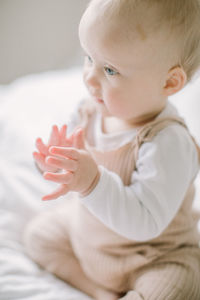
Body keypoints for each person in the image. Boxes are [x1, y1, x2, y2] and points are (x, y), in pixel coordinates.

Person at [24, 0, 200, 299]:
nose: (90, 78)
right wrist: (55, 165)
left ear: (169, 82)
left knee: (175, 287)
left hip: (151, 256)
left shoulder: (167, 141)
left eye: (110, 69)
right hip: (89, 240)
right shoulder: (90, 111)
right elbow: (69, 172)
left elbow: (146, 224)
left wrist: (92, 182)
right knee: (38, 236)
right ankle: (99, 291)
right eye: (88, 58)